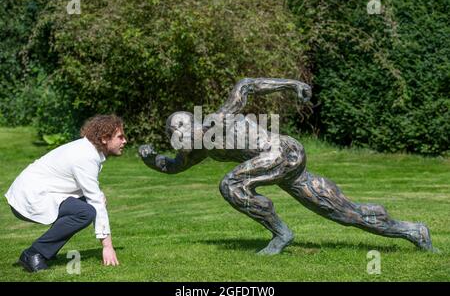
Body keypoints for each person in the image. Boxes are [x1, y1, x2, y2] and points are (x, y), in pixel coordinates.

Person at [139, 78, 435, 255]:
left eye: (180, 129)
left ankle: (281, 234)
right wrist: (152, 160)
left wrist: (293, 85)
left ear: (194, 124)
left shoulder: (217, 120)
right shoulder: (199, 147)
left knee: (230, 184)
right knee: (343, 212)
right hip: (281, 166)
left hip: (282, 152)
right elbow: (175, 166)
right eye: (173, 135)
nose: (178, 138)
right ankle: (413, 231)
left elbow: (246, 85)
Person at [5, 114, 127, 272]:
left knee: (88, 205)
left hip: (35, 193)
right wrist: (107, 246)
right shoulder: (86, 156)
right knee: (86, 211)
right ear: (105, 138)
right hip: (29, 197)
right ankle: (33, 253)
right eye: (120, 137)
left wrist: (98, 196)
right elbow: (95, 201)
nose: (125, 141)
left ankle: (47, 250)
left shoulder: (86, 150)